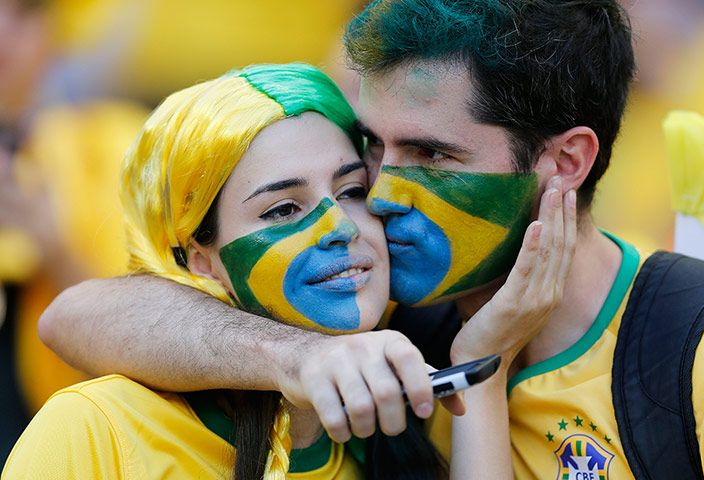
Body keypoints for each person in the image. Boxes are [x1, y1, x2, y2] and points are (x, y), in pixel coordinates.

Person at [37, 1, 704, 479]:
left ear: (565, 162)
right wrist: (304, 358)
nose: (379, 196)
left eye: (433, 156)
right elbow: (77, 318)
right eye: (375, 147)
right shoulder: (377, 311)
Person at [3, 63, 573, 479]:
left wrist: (484, 364)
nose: (340, 227)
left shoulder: (420, 414)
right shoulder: (96, 430)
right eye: (282, 209)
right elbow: (66, 317)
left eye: (352, 191)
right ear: (202, 261)